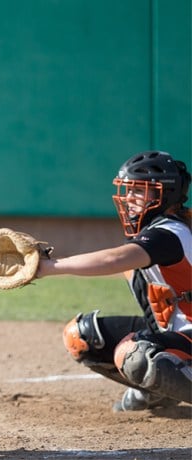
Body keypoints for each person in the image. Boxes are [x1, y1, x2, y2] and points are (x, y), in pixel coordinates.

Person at [36, 150, 191, 412]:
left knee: (134, 352)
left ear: (165, 195)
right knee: (82, 336)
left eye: (139, 191)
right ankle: (158, 392)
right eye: (127, 189)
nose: (129, 198)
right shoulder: (156, 233)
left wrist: (48, 267)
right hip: (178, 334)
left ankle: (159, 374)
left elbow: (111, 260)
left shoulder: (170, 233)